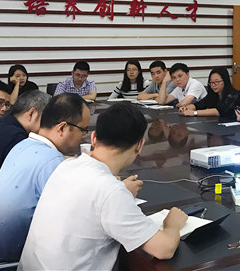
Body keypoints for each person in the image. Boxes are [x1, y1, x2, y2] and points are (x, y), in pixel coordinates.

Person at [19, 103, 187, 270]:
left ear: (94, 138)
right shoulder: (111, 192)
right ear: (139, 145)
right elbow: (164, 249)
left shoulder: (67, 165)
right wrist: (172, 224)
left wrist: (120, 192)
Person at [0, 92, 90, 260]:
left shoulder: (23, 145)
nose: (84, 136)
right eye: (83, 130)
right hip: (13, 260)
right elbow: (75, 219)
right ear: (61, 128)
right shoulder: (52, 163)